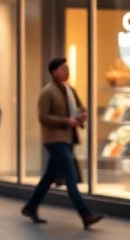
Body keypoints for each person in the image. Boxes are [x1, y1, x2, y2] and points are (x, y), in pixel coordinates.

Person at [21, 58, 105, 228]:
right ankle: (85, 214)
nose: (67, 71)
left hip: (68, 139)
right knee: (70, 176)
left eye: (68, 68)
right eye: (63, 69)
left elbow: (81, 107)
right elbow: (42, 117)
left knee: (49, 177)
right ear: (54, 72)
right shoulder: (47, 92)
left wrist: (82, 115)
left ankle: (30, 206)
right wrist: (66, 121)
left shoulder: (69, 90)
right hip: (54, 139)